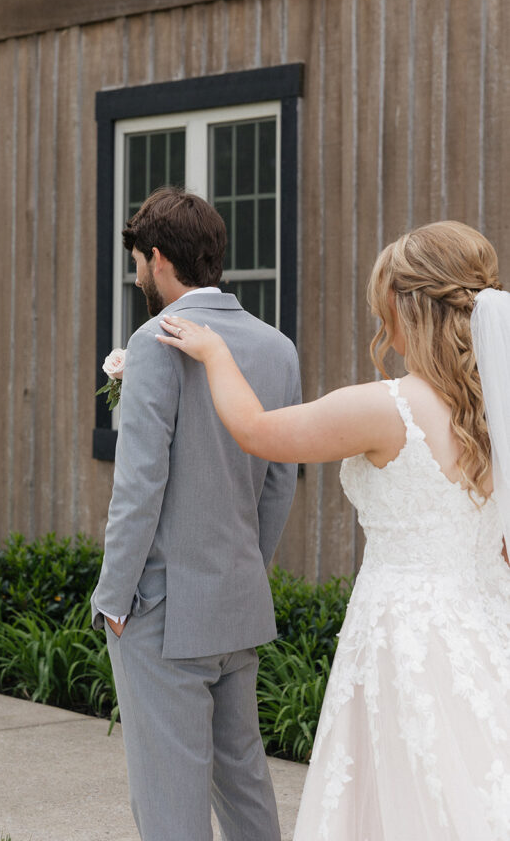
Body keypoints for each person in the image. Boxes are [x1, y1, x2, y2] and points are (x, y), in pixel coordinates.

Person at [158, 220, 510, 841]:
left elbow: (257, 432)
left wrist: (214, 352)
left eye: (386, 310)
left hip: (405, 633)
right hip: (483, 623)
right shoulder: (492, 413)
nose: (383, 328)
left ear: (409, 306)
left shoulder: (387, 407)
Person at [91, 186, 301, 841]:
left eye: (135, 263)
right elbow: (280, 482)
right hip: (236, 602)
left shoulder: (155, 340)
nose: (135, 276)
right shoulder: (276, 348)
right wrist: (243, 568)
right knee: (243, 781)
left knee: (169, 796)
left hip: (160, 611)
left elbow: (140, 483)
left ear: (156, 259)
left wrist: (114, 598)